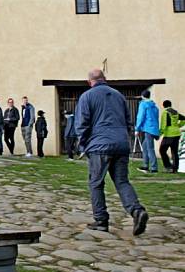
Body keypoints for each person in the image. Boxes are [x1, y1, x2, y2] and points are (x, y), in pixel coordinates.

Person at [75, 68, 148, 236]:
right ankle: (136, 210)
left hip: (99, 145)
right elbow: (128, 121)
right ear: (105, 79)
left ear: (89, 82)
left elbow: (82, 124)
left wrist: (83, 145)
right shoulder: (119, 96)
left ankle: (101, 220)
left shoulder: (87, 97)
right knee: (122, 181)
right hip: (121, 144)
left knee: (96, 183)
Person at [135, 90, 160, 174]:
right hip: (154, 129)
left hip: (148, 129)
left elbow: (140, 117)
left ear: (142, 96)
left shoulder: (143, 104)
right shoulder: (154, 106)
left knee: (150, 148)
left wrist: (137, 129)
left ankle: (154, 168)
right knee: (145, 146)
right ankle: (145, 166)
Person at [159, 99, 185, 173]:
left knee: (162, 150)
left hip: (168, 134)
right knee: (174, 152)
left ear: (163, 105)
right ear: (170, 105)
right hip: (176, 134)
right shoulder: (175, 112)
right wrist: (179, 125)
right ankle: (175, 168)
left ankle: (168, 166)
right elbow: (184, 118)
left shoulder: (165, 112)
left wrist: (159, 133)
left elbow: (164, 124)